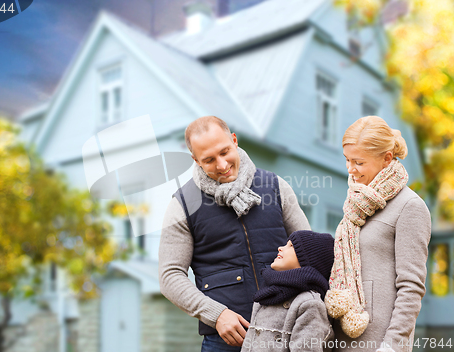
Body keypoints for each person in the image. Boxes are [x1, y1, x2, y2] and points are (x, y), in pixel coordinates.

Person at [158, 116, 310, 352]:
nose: (221, 165)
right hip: (226, 341)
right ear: (195, 160)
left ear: (234, 141)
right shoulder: (182, 205)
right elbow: (170, 276)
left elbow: (308, 250)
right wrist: (216, 315)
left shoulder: (276, 186)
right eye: (208, 160)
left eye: (225, 152)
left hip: (288, 331)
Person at [324, 116, 431, 352]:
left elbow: (411, 286)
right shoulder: (356, 204)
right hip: (342, 339)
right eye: (347, 160)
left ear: (387, 159)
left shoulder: (410, 207)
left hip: (378, 344)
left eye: (359, 162)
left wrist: (391, 346)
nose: (351, 169)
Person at [241, 230, 335, 352]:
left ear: (307, 260)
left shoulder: (309, 303)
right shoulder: (265, 295)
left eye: (291, 246)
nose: (280, 248)